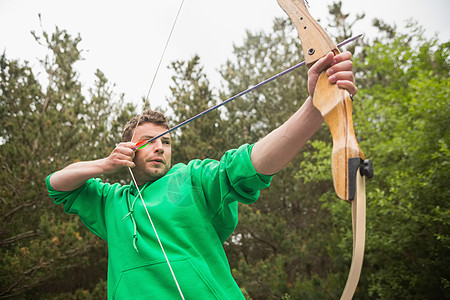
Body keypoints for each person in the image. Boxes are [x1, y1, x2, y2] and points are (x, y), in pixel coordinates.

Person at [46, 51, 357, 299]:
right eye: (147, 141)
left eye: (165, 142)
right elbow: (57, 184)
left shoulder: (191, 179)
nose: (159, 148)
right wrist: (104, 165)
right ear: (128, 148)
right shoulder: (109, 201)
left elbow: (251, 164)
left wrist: (317, 106)